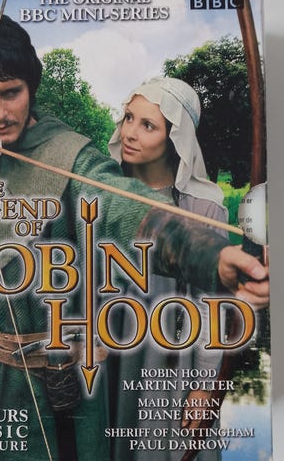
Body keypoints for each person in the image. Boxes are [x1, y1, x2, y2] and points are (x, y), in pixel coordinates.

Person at [0, 15, 269, 461]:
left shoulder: (70, 154)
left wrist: (215, 259)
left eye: (11, 92)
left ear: (31, 87)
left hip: (56, 378)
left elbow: (124, 208)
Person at [107, 78, 230, 461]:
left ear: (175, 138)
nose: (130, 133)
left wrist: (204, 386)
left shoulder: (204, 204)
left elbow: (211, 304)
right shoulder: (106, 189)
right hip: (110, 347)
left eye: (148, 125)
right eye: (129, 118)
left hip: (171, 355)